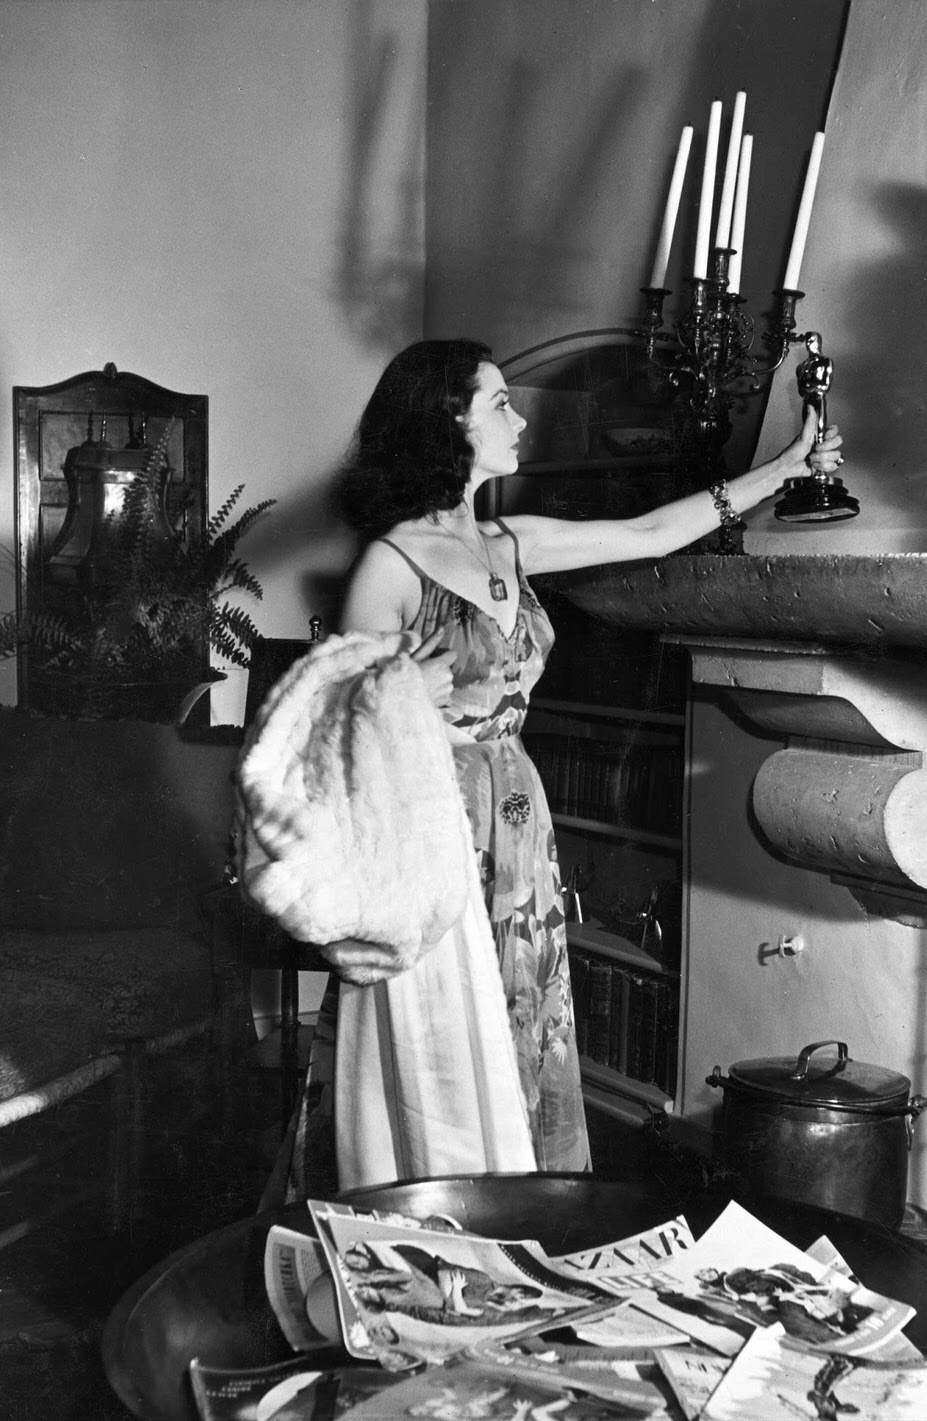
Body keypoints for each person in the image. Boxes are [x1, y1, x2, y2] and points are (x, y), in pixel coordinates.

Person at [284, 338, 842, 1193]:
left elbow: (652, 530)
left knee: (523, 1010)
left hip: (520, 812)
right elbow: (335, 745)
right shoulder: (388, 567)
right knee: (444, 1030)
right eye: (499, 402)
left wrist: (784, 471)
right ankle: (438, 1214)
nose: (520, 416)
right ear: (448, 422)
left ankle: (526, 1210)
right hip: (435, 824)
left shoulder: (510, 542)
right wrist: (405, 695)